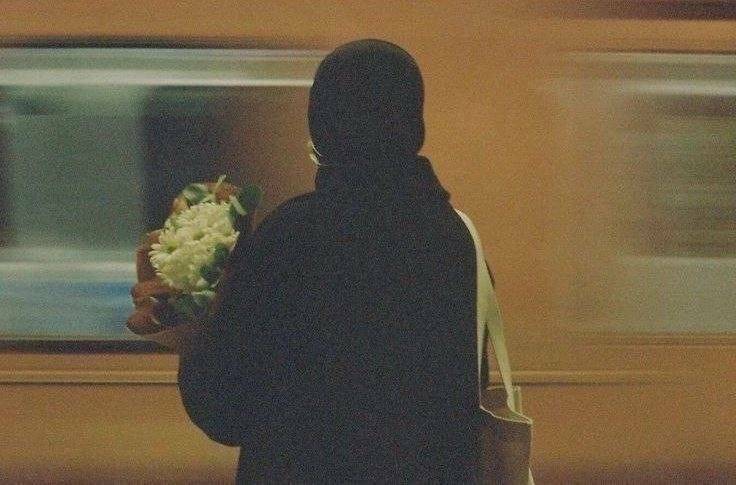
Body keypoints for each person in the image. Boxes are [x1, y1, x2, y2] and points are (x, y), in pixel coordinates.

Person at [140, 39, 482, 483]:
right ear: (414, 124)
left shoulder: (292, 237)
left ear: (321, 127)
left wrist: (195, 320)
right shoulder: (457, 240)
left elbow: (226, 410)